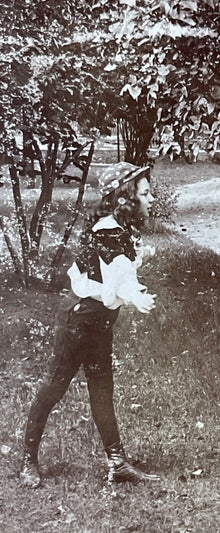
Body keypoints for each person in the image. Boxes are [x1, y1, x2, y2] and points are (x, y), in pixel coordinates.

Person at [20, 162, 159, 488]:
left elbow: (111, 269)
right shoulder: (106, 231)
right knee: (54, 387)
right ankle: (28, 459)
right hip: (79, 322)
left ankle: (117, 463)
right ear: (125, 198)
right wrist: (135, 296)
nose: (151, 199)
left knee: (101, 388)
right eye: (145, 193)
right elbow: (116, 282)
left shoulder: (112, 228)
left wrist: (137, 267)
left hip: (97, 320)